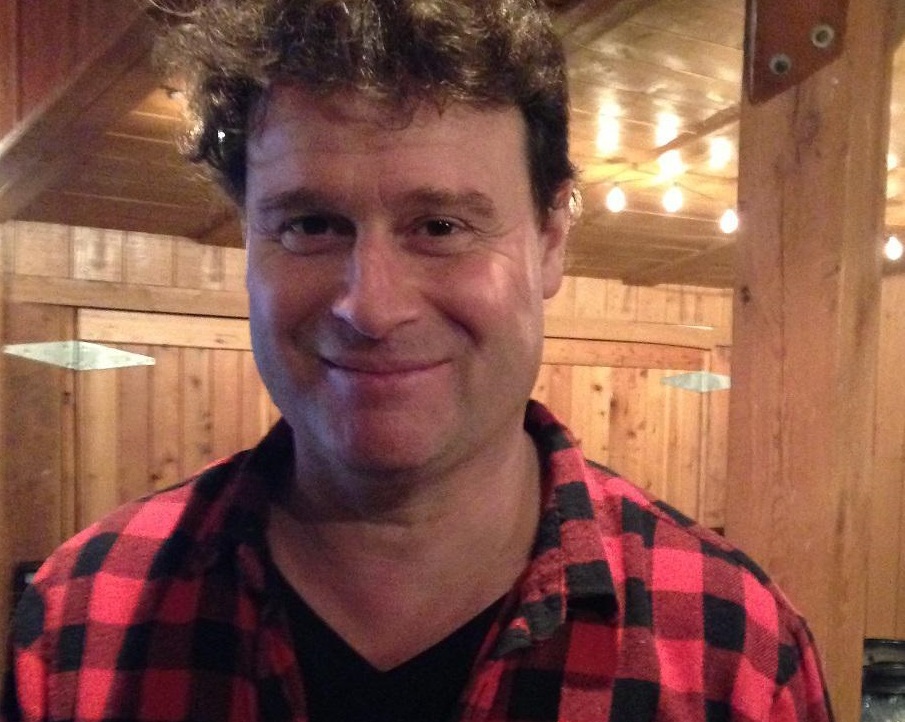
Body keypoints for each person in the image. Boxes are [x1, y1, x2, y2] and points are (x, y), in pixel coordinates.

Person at [2, 1, 834, 721]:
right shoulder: (80, 624)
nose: (370, 306)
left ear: (550, 242)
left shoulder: (731, 650)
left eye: (440, 227)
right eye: (310, 225)